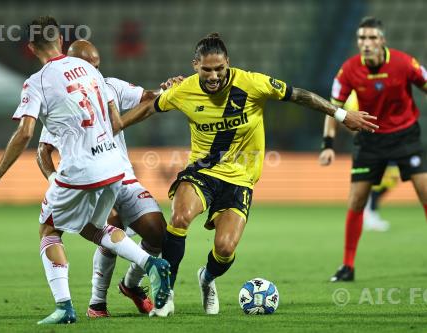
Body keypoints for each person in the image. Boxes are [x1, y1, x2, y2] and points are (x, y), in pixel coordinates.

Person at [119, 32, 377, 316]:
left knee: (225, 248)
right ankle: (165, 293)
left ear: (228, 62)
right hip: (202, 171)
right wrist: (115, 127)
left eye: (220, 68)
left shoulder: (253, 83)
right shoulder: (183, 90)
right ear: (195, 65)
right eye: (207, 69)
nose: (215, 75)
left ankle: (207, 279)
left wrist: (341, 115)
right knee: (179, 218)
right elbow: (148, 109)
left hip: (240, 178)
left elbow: (300, 96)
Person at [0, 16, 171, 324]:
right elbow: (117, 117)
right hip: (114, 167)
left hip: (81, 169)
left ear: (30, 48)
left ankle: (66, 307)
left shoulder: (37, 81)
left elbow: (26, 133)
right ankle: (149, 265)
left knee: (49, 229)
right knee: (94, 228)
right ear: (61, 40)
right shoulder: (93, 73)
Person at [37, 39, 173, 317]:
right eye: (89, 66)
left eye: (97, 66)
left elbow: (148, 97)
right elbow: (43, 149)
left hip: (122, 175)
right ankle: (97, 303)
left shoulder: (108, 84)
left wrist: (169, 90)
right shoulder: (63, 97)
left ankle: (131, 285)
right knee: (106, 225)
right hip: (91, 180)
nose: (93, 72)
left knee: (158, 231)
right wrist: (52, 179)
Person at [319, 16, 427, 282]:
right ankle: (347, 266)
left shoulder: (404, 63)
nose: (366, 43)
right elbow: (333, 109)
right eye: (361, 39)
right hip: (371, 141)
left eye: (371, 38)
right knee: (356, 200)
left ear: (382, 40)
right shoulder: (349, 70)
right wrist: (328, 144)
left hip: (406, 138)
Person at [341, 90, 398, 232]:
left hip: (387, 138)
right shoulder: (353, 95)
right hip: (369, 142)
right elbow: (347, 119)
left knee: (392, 177)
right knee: (372, 178)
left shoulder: (377, 85)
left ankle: (369, 210)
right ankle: (370, 213)